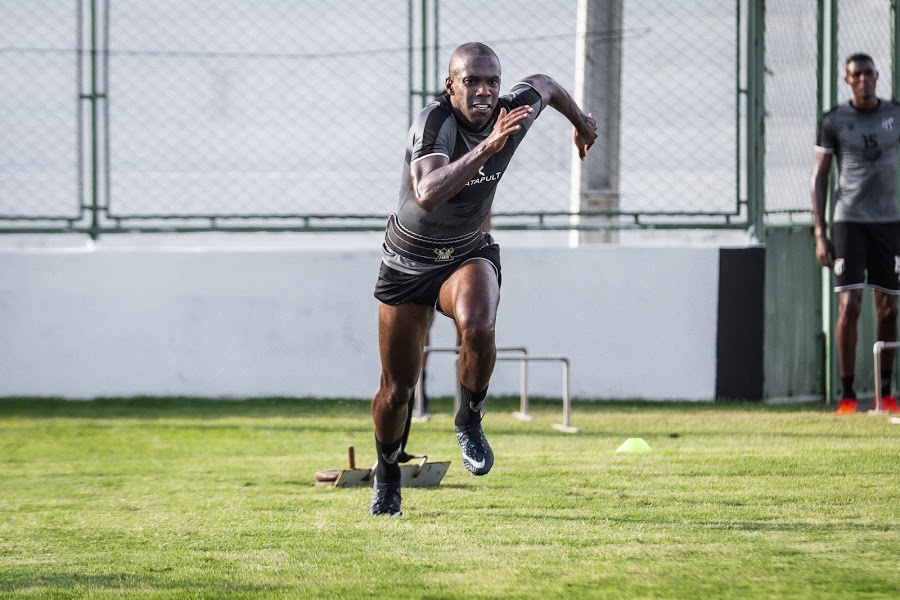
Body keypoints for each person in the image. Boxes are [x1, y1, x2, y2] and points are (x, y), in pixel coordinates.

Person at [369, 42, 597, 516]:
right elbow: (428, 192)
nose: (483, 90)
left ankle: (469, 418)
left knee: (478, 325)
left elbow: (548, 86)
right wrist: (491, 146)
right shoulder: (433, 123)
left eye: (491, 81)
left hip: (466, 251)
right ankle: (387, 475)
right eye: (471, 80)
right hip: (408, 261)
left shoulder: (512, 110)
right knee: (397, 389)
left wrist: (582, 124)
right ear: (451, 85)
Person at [811, 52, 900, 415]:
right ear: (847, 81)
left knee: (889, 307)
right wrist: (820, 232)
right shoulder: (834, 120)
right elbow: (819, 178)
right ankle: (847, 395)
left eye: (868, 73)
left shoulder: (894, 114)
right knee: (850, 304)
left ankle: (886, 393)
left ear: (877, 76)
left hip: (890, 222)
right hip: (849, 221)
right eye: (856, 75)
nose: (863, 80)